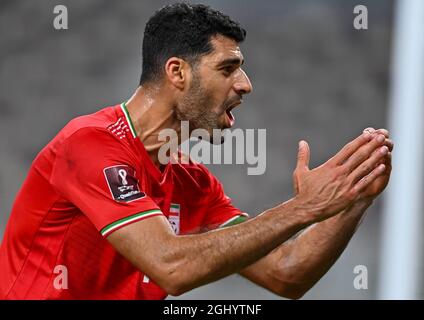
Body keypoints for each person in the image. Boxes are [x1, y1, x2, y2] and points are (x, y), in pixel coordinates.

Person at [0, 3, 393, 300]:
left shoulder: (191, 181)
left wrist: (352, 198)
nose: (245, 84)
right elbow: (168, 264)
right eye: (227, 68)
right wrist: (304, 208)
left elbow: (287, 273)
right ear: (177, 73)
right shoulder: (88, 143)